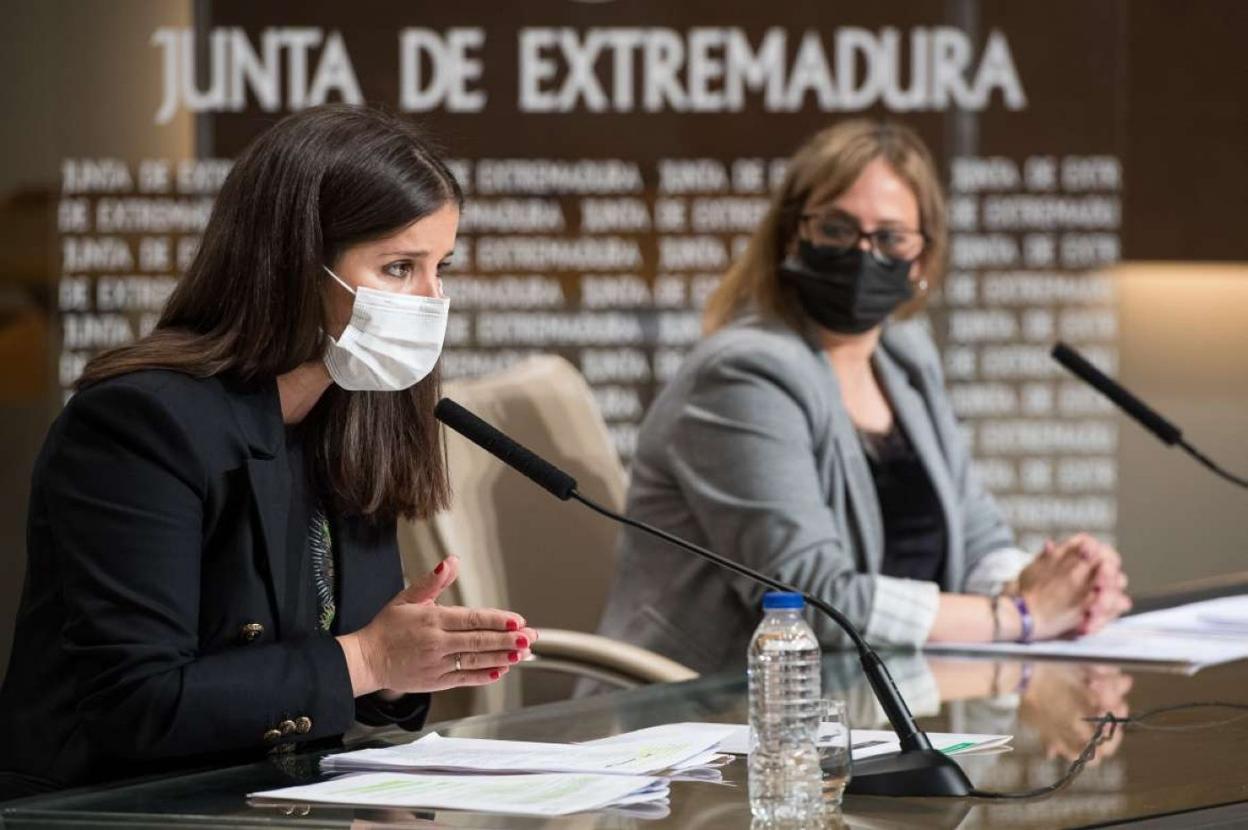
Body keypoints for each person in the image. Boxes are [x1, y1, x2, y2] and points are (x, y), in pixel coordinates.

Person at [0, 105, 537, 799]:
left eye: (441, 267)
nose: (432, 299)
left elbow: (345, 681)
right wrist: (369, 659)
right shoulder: (136, 424)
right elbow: (138, 703)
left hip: (276, 800)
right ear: (291, 264)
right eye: (400, 267)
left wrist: (405, 668)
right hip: (112, 807)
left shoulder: (357, 410)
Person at [597, 120, 1130, 674]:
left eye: (891, 238)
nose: (862, 254)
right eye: (836, 229)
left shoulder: (905, 357)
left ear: (920, 261)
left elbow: (976, 538)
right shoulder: (744, 374)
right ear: (791, 238)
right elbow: (814, 601)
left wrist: (1064, 588)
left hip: (864, 711)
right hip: (707, 725)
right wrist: (1019, 617)